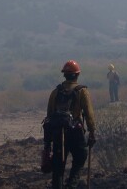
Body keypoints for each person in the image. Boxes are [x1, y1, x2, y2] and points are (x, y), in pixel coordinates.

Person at [43, 60, 95, 189]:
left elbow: (49, 117)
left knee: (58, 166)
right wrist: (92, 132)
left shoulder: (55, 92)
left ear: (64, 75)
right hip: (75, 134)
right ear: (77, 75)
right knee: (81, 156)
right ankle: (72, 184)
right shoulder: (82, 92)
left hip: (57, 134)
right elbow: (89, 114)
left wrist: (48, 142)